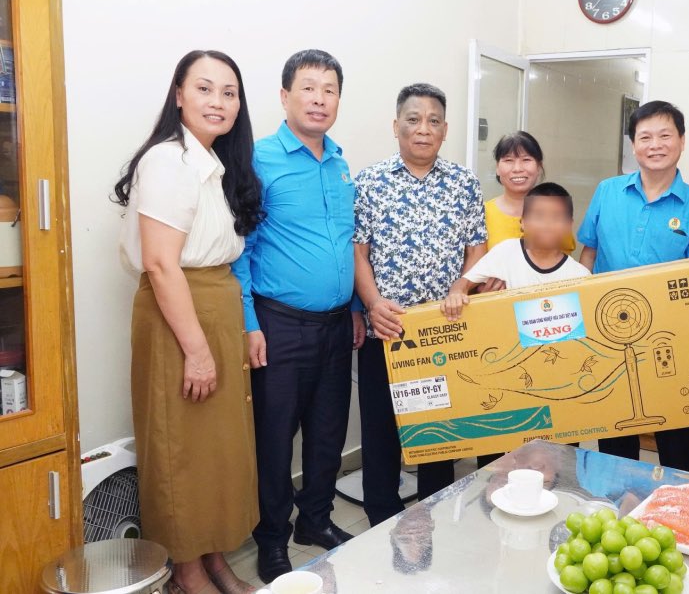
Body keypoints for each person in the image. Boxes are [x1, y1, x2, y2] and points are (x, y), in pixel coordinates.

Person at [115, 50, 262, 594]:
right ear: (178, 94)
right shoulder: (168, 161)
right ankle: (187, 571)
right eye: (204, 89)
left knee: (215, 447)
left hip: (213, 306)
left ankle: (215, 557)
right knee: (181, 448)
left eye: (229, 92)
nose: (217, 102)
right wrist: (197, 351)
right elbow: (159, 263)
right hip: (180, 316)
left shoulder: (210, 162)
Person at [231, 49, 361, 583]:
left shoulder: (340, 161)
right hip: (278, 322)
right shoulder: (258, 160)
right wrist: (249, 323)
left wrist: (354, 307)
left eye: (329, 89)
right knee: (275, 437)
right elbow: (240, 248)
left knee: (328, 432)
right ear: (284, 96)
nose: (319, 98)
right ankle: (272, 538)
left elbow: (346, 242)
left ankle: (315, 521)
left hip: (336, 323)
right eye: (308, 87)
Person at [354, 83, 487, 526]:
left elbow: (477, 248)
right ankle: (382, 518)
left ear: (445, 130)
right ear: (396, 126)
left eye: (433, 121)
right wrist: (372, 303)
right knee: (381, 432)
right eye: (413, 119)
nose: (423, 129)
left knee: (438, 429)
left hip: (441, 332)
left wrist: (461, 287)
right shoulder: (370, 182)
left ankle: (436, 512)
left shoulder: (465, 183)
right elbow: (359, 252)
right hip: (387, 332)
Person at [577, 100, 689, 472]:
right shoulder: (607, 191)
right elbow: (587, 254)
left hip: (670, 344)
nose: (655, 144)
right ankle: (616, 514)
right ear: (634, 144)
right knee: (615, 442)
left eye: (665, 135)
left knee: (677, 447)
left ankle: (677, 518)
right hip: (608, 337)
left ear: (682, 141)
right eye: (645, 137)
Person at [441, 182, 589, 321]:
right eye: (539, 216)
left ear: (569, 225)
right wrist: (456, 293)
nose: (547, 224)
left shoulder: (580, 275)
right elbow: (463, 282)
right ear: (523, 222)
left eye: (557, 217)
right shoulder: (505, 252)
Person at [485, 131, 575, 253]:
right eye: (508, 160)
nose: (517, 169)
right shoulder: (481, 213)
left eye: (526, 159)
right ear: (497, 168)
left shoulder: (556, 209)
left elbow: (564, 261)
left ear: (539, 166)